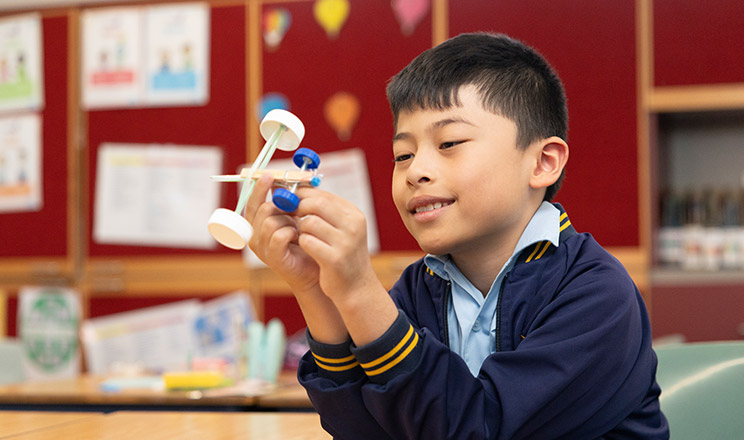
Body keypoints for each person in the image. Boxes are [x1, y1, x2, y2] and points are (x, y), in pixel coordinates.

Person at [245, 32, 668, 439]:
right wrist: (313, 288)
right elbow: (361, 429)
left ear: (543, 163)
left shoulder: (596, 292)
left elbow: (478, 427)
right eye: (403, 154)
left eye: (449, 143)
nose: (415, 171)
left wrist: (359, 290)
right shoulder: (418, 288)